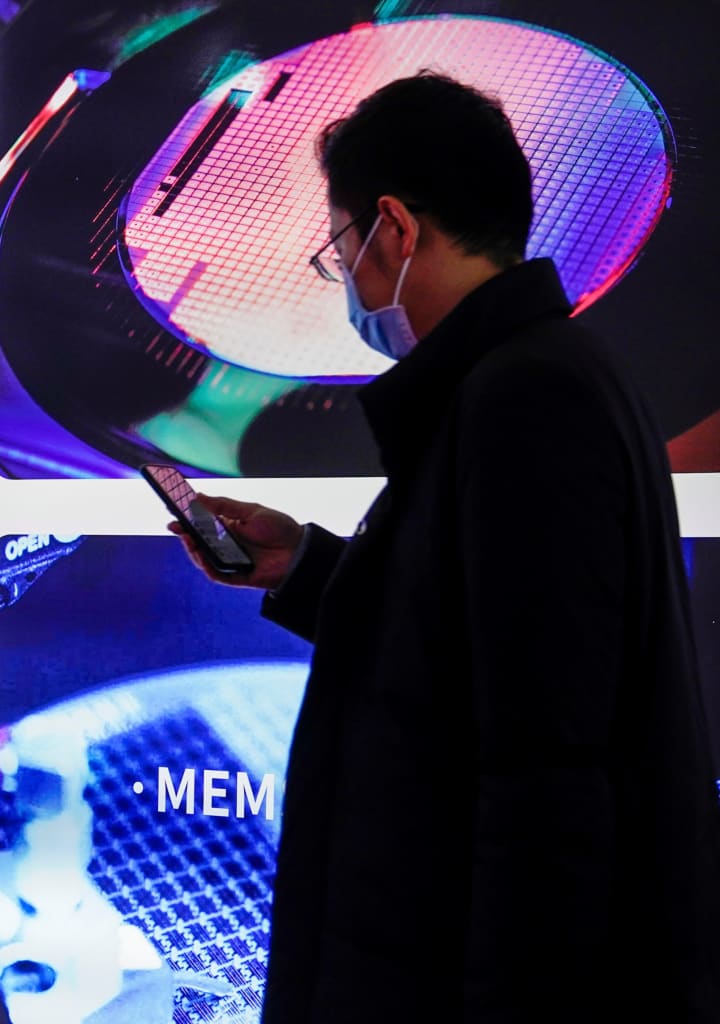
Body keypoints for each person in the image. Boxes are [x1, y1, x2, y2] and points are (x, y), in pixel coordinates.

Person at [171, 73, 720, 1023]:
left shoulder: (525, 399)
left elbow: (546, 766)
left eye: (338, 247)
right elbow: (468, 641)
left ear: (392, 227)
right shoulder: (527, 378)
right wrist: (307, 566)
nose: (346, 279)